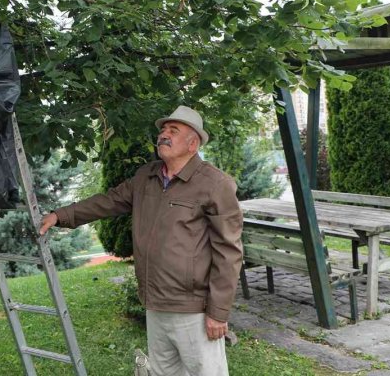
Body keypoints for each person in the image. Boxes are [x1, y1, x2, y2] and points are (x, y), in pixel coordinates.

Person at [40, 106, 243, 376]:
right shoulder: (146, 176)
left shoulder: (215, 184)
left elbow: (229, 252)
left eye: (173, 131)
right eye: (162, 130)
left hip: (193, 308)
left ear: (193, 143)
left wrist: (218, 312)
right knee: (162, 372)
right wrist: (60, 215)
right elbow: (107, 201)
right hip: (155, 301)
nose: (163, 135)